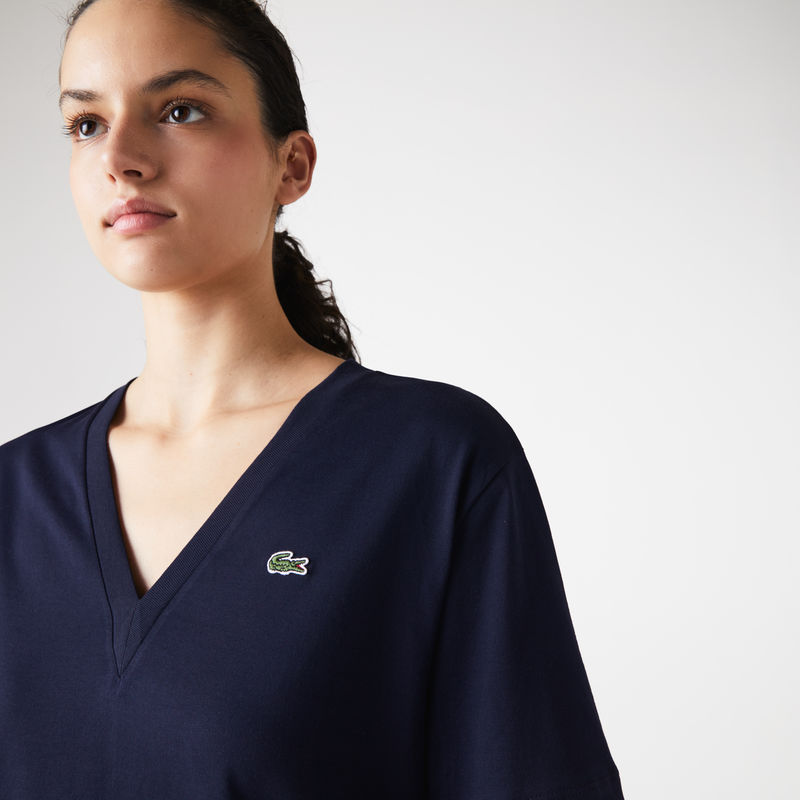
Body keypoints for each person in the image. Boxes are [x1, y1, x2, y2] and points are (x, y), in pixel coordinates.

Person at [0, 0, 625, 797]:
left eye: (180, 110)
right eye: (86, 124)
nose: (120, 159)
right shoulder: (14, 497)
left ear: (291, 165)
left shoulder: (433, 464)